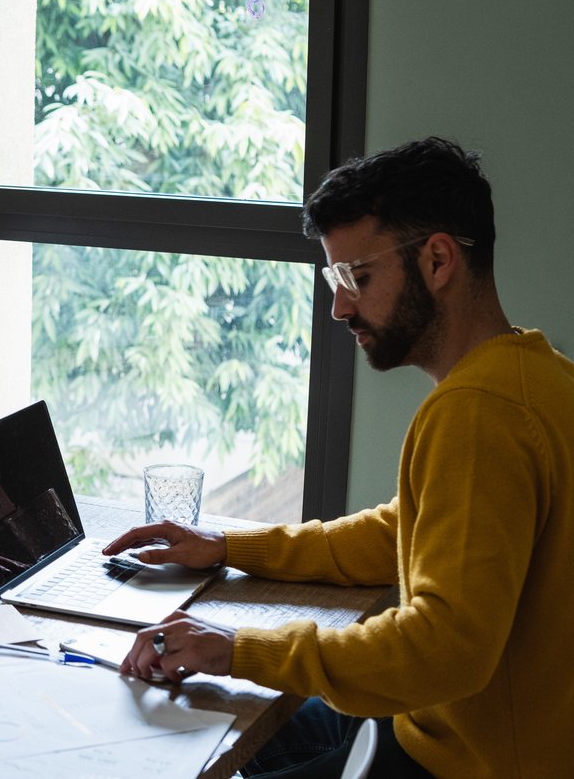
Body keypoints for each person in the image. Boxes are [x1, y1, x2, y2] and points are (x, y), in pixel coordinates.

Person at [103, 137, 574, 777]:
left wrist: (235, 647)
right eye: (334, 278)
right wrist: (232, 548)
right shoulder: (538, 375)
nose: (339, 307)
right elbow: (402, 531)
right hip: (447, 729)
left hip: (464, 762)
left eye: (357, 277)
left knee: (199, 730)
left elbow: (445, 649)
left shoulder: (478, 413)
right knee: (242, 724)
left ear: (438, 261)